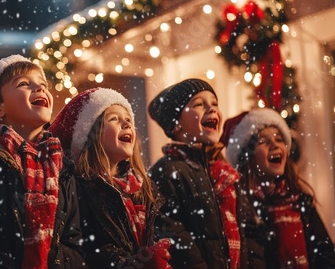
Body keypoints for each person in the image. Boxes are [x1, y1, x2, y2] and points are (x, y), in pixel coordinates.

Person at [0, 55, 85, 268]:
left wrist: (53, 258)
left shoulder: (63, 168)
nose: (40, 89)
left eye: (43, 85)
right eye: (24, 84)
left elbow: (74, 241)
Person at [147, 78, 265, 268]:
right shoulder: (166, 171)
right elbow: (173, 235)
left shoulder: (227, 174)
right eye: (199, 104)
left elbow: (250, 232)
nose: (212, 109)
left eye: (215, 103)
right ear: (176, 124)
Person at [49, 87, 172, 268]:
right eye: (114, 119)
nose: (126, 124)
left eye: (129, 120)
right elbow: (90, 252)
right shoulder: (79, 188)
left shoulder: (145, 189)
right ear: (90, 135)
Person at [221, 108, 335, 268]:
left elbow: (326, 254)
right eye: (263, 141)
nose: (274, 145)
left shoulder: (300, 201)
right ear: (247, 158)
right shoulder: (241, 209)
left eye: (279, 139)